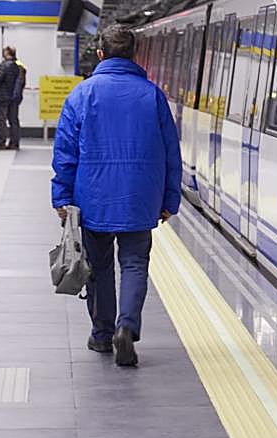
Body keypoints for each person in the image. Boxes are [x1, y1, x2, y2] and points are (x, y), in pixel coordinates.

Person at [51, 25, 181, 366]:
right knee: (135, 262)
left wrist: (61, 197)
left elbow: (65, 153)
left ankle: (102, 334)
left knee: (99, 266)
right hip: (141, 196)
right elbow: (171, 152)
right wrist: (169, 200)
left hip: (93, 197)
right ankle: (128, 326)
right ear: (135, 54)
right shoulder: (153, 96)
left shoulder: (81, 94)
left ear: (100, 54)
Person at [0, 45, 25, 150]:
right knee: (13, 120)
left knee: (2, 119)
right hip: (15, 97)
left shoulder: (4, 65)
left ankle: (1, 141)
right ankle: (14, 142)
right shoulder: (19, 65)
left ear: (7, 53)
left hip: (3, 97)